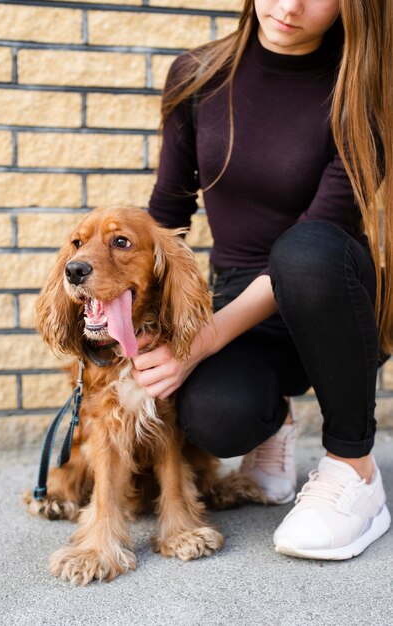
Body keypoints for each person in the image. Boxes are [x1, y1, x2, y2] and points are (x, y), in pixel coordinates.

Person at [132, 0, 393, 560]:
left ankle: (355, 472)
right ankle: (271, 422)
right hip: (238, 302)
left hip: (332, 294)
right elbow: (168, 216)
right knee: (215, 418)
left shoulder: (363, 85)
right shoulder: (197, 75)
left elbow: (323, 230)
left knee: (302, 250)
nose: (290, 5)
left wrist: (202, 340)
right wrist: (145, 321)